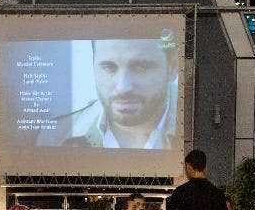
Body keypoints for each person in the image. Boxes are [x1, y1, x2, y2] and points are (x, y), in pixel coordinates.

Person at [35, 37, 180, 150]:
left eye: (141, 67)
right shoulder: (57, 134)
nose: (123, 87)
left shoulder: (190, 128)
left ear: (172, 67)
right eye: (109, 67)